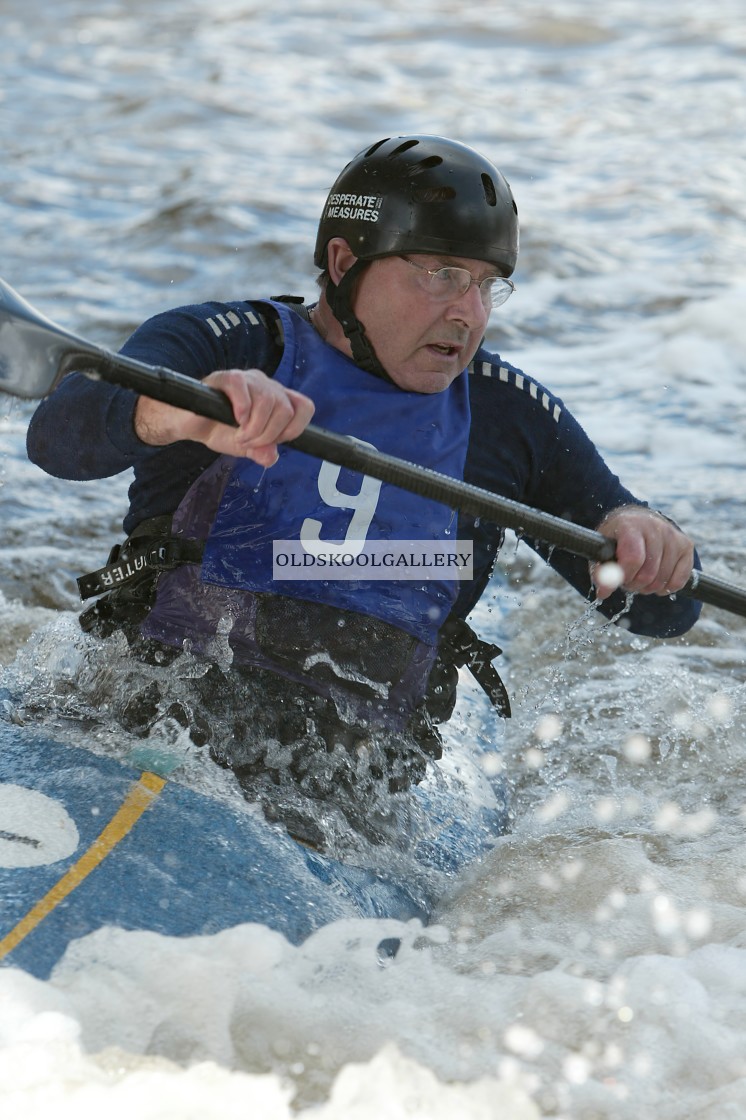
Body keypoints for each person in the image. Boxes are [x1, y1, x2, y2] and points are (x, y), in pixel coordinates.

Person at [26, 135, 700, 854]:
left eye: (487, 284)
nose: (468, 312)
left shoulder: (508, 416)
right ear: (345, 264)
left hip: (352, 784)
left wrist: (644, 534)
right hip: (144, 712)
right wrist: (182, 412)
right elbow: (58, 436)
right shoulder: (228, 347)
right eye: (441, 274)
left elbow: (662, 613)